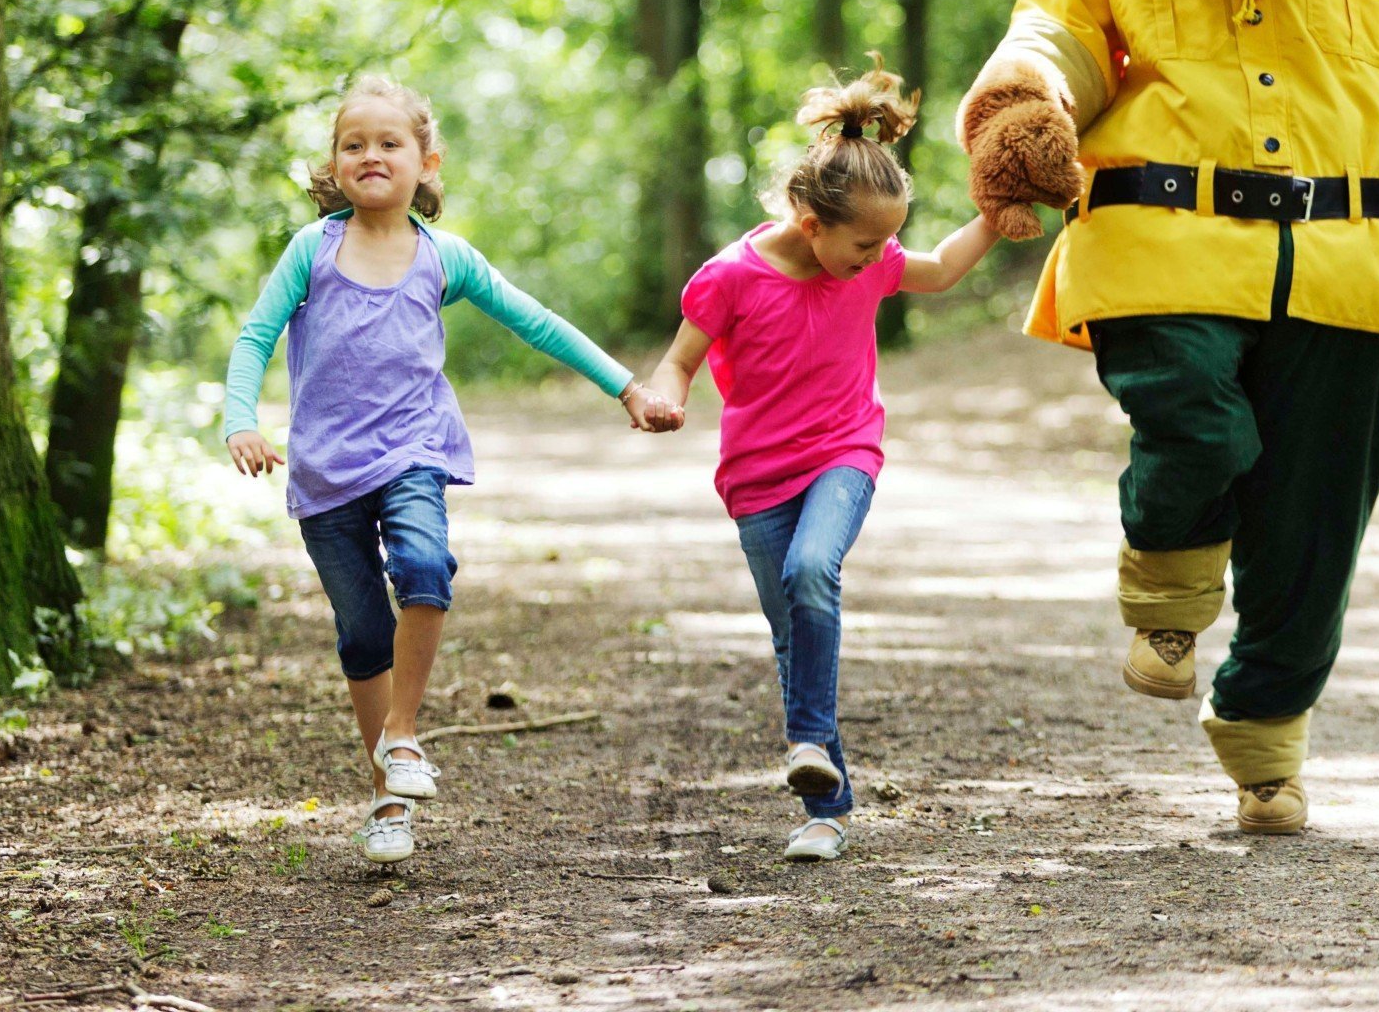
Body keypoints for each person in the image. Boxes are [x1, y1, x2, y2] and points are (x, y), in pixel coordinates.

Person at [222, 76, 676, 864]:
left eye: (389, 143)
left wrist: (627, 386)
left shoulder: (444, 258)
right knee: (362, 632)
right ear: (333, 164)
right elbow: (255, 338)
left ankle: (403, 736)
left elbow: (536, 321)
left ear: (425, 164)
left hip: (413, 453)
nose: (371, 155)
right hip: (326, 472)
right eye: (353, 144)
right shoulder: (312, 251)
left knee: (427, 566)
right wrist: (241, 419)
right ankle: (385, 801)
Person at [639, 60, 999, 862]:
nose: (880, 258)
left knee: (812, 574)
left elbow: (937, 268)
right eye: (865, 243)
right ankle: (826, 810)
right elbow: (680, 362)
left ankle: (805, 743)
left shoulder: (869, 264)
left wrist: (996, 214)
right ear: (809, 220)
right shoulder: (731, 278)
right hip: (755, 478)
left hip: (844, 453)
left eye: (887, 241)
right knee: (793, 636)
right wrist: (668, 398)